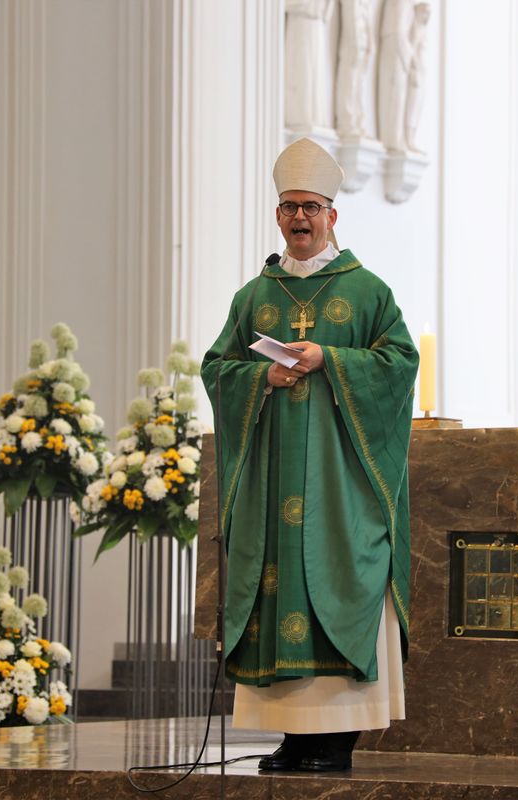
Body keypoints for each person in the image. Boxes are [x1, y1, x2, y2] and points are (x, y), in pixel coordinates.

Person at [202, 137, 418, 773]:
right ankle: (296, 736)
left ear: (332, 215)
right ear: (277, 216)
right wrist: (258, 379)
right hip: (272, 486)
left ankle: (336, 739)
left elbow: (400, 363)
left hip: (339, 484)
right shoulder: (254, 298)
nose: (300, 218)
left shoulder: (368, 292)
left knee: (338, 582)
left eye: (312, 207)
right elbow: (219, 367)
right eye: (289, 207)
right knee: (278, 590)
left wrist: (331, 360)